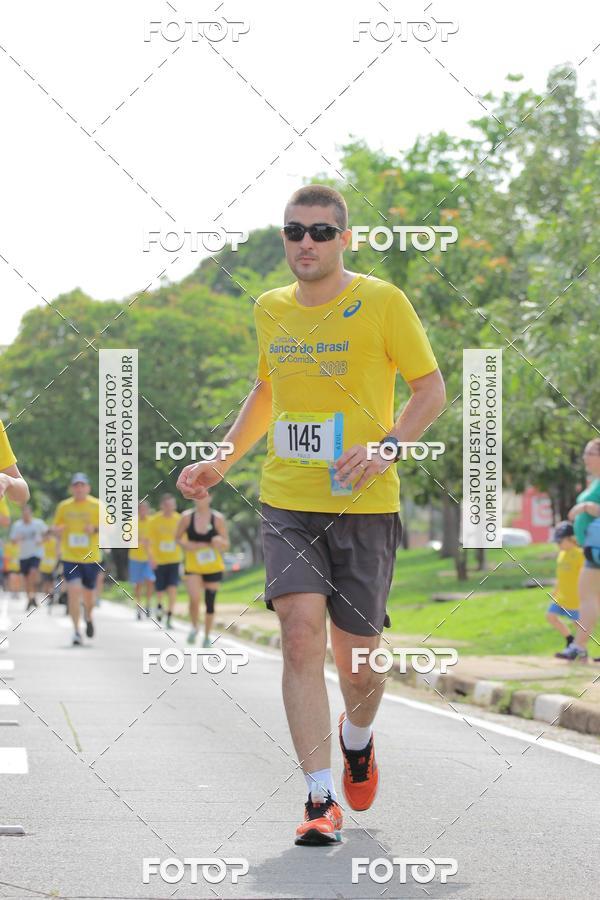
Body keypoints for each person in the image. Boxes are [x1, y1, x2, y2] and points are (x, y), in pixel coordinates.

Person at [177, 184, 445, 845]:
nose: (306, 242)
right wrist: (221, 462)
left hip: (365, 505)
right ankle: (319, 798)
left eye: (321, 232)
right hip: (286, 499)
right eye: (294, 231)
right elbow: (267, 390)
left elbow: (430, 390)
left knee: (359, 664)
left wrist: (386, 448)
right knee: (300, 635)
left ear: (344, 239)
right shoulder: (270, 309)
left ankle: (358, 739)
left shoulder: (382, 301)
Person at [555, 438, 600, 662]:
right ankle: (579, 646)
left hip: (597, 549)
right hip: (592, 547)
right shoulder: (595, 482)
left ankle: (579, 646)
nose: (585, 458)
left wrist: (585, 507)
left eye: (590, 453)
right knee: (592, 598)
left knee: (587, 597)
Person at [52, 473, 101, 646]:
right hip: (70, 557)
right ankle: (76, 631)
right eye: (76, 485)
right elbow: (55, 526)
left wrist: (95, 529)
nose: (79, 489)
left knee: (89, 597)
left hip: (91, 557)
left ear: (88, 488)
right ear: (72, 488)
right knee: (73, 592)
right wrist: (58, 530)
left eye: (82, 485)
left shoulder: (97, 505)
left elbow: (111, 529)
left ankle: (88, 616)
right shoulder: (64, 507)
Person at [176, 496, 229, 646]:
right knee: (194, 599)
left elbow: (226, 544)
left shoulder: (217, 518)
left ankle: (207, 635)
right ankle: (194, 627)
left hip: (213, 566)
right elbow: (177, 538)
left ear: (210, 498)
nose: (200, 499)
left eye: (203, 495)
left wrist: (219, 542)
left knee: (209, 602)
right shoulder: (186, 517)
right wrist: (187, 545)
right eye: (197, 496)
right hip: (193, 565)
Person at [547, 522, 583, 652]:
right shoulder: (561, 555)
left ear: (571, 539)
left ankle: (580, 650)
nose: (558, 544)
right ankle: (569, 640)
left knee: (577, 624)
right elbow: (560, 576)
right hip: (561, 596)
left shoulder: (579, 554)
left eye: (560, 541)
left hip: (575, 598)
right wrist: (555, 591)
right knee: (550, 616)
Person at [147, 493, 182, 629]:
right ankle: (160, 604)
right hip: (159, 560)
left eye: (172, 505)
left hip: (174, 559)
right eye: (166, 505)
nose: (169, 508)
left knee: (172, 587)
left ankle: (170, 614)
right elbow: (148, 542)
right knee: (160, 589)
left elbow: (184, 539)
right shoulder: (154, 521)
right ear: (162, 506)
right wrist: (151, 558)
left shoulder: (179, 520)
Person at [10, 505, 47, 610]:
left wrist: (42, 540)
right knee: (26, 580)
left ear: (31, 513)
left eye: (28, 513)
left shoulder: (38, 524)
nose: (26, 516)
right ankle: (30, 598)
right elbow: (12, 540)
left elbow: (48, 534)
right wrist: (16, 539)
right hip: (23, 555)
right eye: (24, 514)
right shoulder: (17, 525)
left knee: (33, 573)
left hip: (36, 553)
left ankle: (32, 596)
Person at [129, 500, 155, 619]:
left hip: (149, 557)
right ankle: (138, 607)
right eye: (140, 509)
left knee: (150, 580)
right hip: (135, 557)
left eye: (145, 509)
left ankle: (148, 604)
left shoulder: (152, 522)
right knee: (138, 584)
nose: (143, 511)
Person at [39, 531, 60, 610]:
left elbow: (58, 553)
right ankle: (49, 598)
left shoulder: (54, 542)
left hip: (53, 566)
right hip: (44, 567)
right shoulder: (42, 543)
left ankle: (52, 597)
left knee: (52, 583)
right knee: (46, 584)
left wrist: (57, 565)